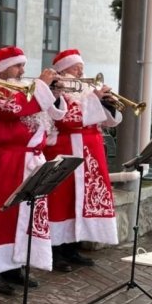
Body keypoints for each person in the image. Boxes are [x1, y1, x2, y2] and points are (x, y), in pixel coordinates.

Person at [0, 46, 65, 295]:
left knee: (24, 216)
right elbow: (12, 110)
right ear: (2, 69)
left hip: (31, 159)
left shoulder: (24, 89)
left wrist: (54, 93)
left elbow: (52, 113)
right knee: (2, 216)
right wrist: (42, 86)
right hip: (8, 159)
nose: (22, 70)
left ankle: (16, 264)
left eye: (23, 65)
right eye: (17, 65)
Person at [44, 49, 120, 271]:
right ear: (62, 70)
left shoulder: (86, 89)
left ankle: (73, 247)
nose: (80, 70)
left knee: (82, 199)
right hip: (65, 149)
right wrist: (94, 100)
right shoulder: (56, 90)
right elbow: (68, 119)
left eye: (81, 66)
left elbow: (107, 122)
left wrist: (108, 104)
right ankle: (56, 251)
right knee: (61, 200)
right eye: (75, 67)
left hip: (90, 153)